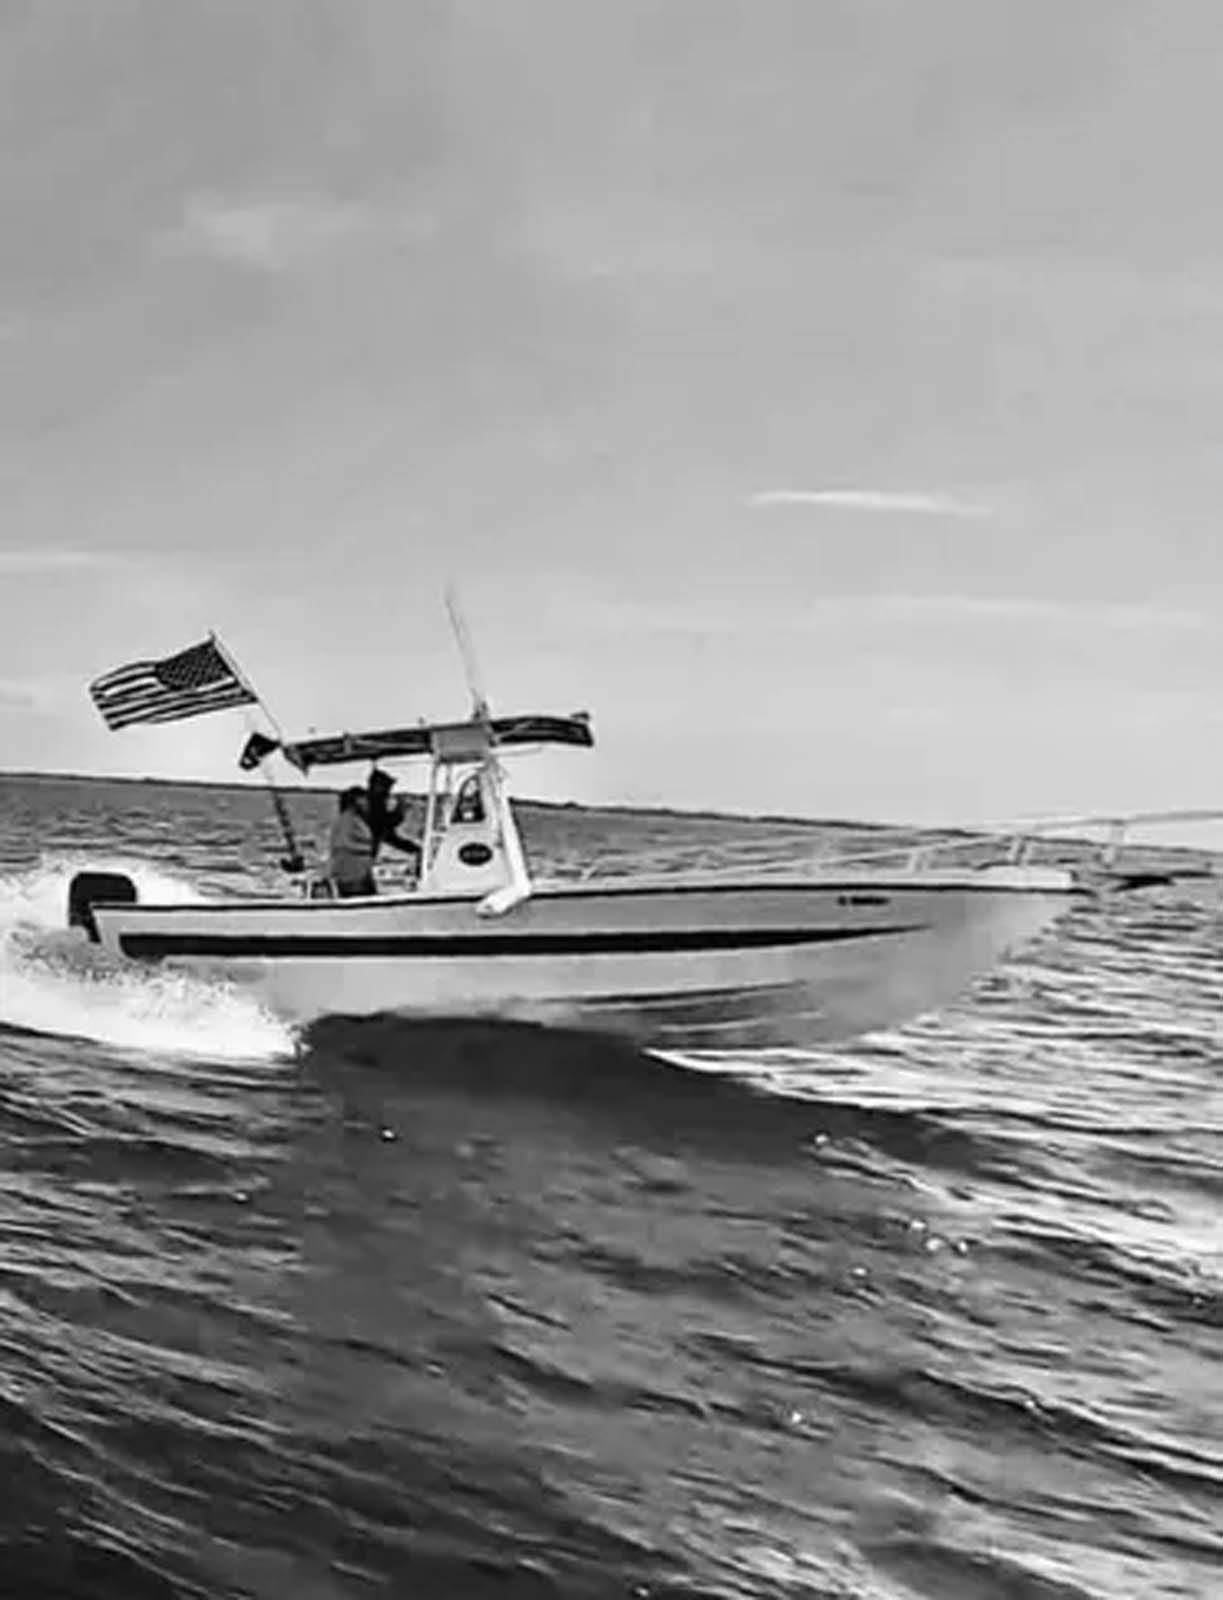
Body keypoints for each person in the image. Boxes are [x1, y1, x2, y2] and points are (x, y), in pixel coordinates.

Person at [365, 769, 422, 874]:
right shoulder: (373, 803)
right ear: (377, 786)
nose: (389, 790)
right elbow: (384, 825)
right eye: (387, 786)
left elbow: (386, 829)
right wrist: (400, 810)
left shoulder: (374, 801)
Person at [327, 786, 376, 898]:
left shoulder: (356, 819)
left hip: (360, 872)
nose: (367, 803)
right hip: (351, 875)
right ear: (356, 801)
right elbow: (342, 844)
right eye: (365, 800)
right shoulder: (346, 820)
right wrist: (366, 850)